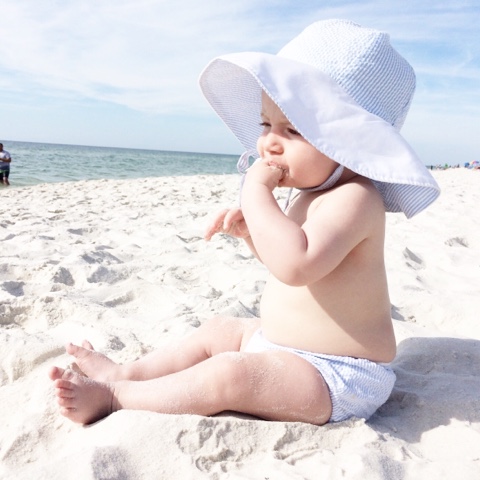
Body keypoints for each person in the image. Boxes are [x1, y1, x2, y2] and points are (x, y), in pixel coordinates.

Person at [49, 19, 440, 425]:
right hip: (280, 349)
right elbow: (286, 261)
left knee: (229, 374)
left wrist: (255, 191)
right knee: (220, 330)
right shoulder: (309, 194)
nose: (270, 142)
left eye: (293, 129)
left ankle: (116, 397)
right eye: (266, 125)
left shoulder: (356, 199)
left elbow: (296, 265)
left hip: (337, 376)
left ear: (354, 142)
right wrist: (255, 235)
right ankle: (127, 373)